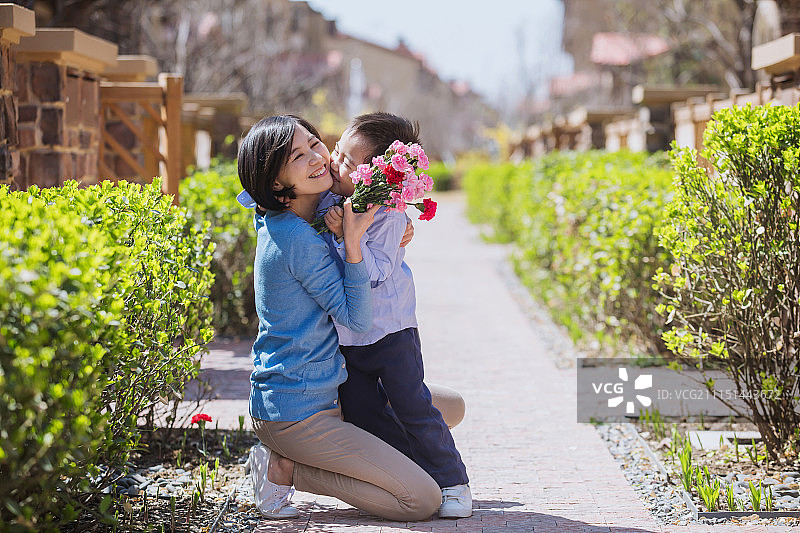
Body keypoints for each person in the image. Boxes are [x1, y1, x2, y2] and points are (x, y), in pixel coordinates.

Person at [238, 114, 442, 521]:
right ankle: (286, 468)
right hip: (299, 412)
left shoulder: (301, 211)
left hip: (332, 391)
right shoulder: (295, 239)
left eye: (315, 143)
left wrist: (390, 230)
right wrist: (353, 243)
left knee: (444, 408)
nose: (319, 157)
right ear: (276, 183)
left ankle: (369, 455)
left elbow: (251, 197)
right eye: (299, 156)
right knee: (422, 499)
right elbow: (357, 317)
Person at [320, 112, 472, 519]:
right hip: (351, 338)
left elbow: (374, 272)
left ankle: (453, 479)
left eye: (349, 163)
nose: (336, 163)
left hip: (391, 331)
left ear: (379, 176)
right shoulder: (332, 201)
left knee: (413, 404)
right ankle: (414, 467)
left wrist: (345, 235)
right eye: (337, 151)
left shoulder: (388, 217)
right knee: (363, 415)